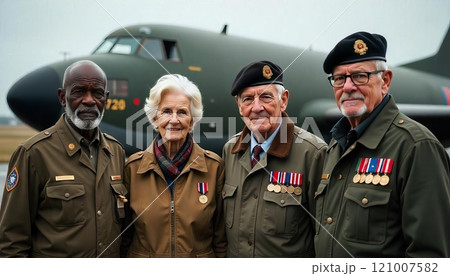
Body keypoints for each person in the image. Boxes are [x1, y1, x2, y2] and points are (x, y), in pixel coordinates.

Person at [314, 32, 450, 257]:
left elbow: (431, 258)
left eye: (360, 76)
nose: (347, 87)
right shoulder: (336, 148)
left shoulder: (416, 146)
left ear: (385, 81)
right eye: (339, 79)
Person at [0, 60, 127, 257]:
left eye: (97, 93)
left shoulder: (116, 152)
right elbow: (11, 241)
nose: (89, 100)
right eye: (78, 91)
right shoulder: (34, 153)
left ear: (106, 99)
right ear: (62, 97)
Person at [222, 60, 327, 257]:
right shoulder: (230, 151)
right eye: (247, 99)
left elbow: (325, 237)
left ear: (284, 100)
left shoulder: (312, 153)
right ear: (239, 105)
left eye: (266, 97)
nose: (256, 107)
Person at [121, 74, 227, 257]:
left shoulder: (214, 168)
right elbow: (124, 237)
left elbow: (221, 239)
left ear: (192, 120)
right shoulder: (133, 169)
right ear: (155, 118)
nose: (174, 120)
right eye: (166, 111)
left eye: (182, 112)